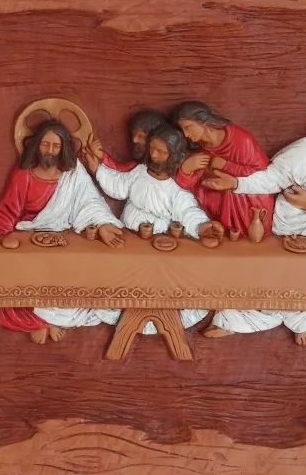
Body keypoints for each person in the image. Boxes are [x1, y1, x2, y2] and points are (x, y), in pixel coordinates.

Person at [202, 110, 306, 344]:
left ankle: (304, 321)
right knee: (275, 274)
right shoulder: (302, 154)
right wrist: (236, 183)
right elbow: (270, 179)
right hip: (286, 225)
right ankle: (238, 320)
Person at [0, 120, 125, 344]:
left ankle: (47, 319)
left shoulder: (73, 175)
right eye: (45, 144)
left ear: (63, 148)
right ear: (36, 145)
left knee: (84, 277)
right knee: (3, 292)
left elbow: (90, 203)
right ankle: (41, 321)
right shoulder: (24, 174)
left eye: (56, 146)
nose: (50, 150)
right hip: (29, 242)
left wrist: (102, 225)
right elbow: (7, 210)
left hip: (65, 242)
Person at [83, 123, 223, 334]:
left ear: (174, 156)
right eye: (152, 148)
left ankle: (157, 319)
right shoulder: (139, 172)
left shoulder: (176, 189)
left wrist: (202, 226)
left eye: (161, 151)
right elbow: (119, 186)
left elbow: (188, 212)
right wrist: (97, 169)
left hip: (158, 249)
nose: (154, 155)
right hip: (128, 241)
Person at [171, 101, 275, 236]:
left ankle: (234, 231)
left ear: (203, 121)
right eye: (183, 129)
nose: (186, 134)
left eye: (188, 127)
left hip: (246, 196)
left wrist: (226, 166)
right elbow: (186, 184)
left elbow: (263, 174)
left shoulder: (241, 139)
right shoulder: (200, 147)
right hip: (216, 195)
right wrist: (186, 169)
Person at [98, 107, 169, 172]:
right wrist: (103, 156)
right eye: (133, 134)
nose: (134, 140)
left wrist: (103, 157)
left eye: (141, 136)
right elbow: (121, 170)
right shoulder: (137, 166)